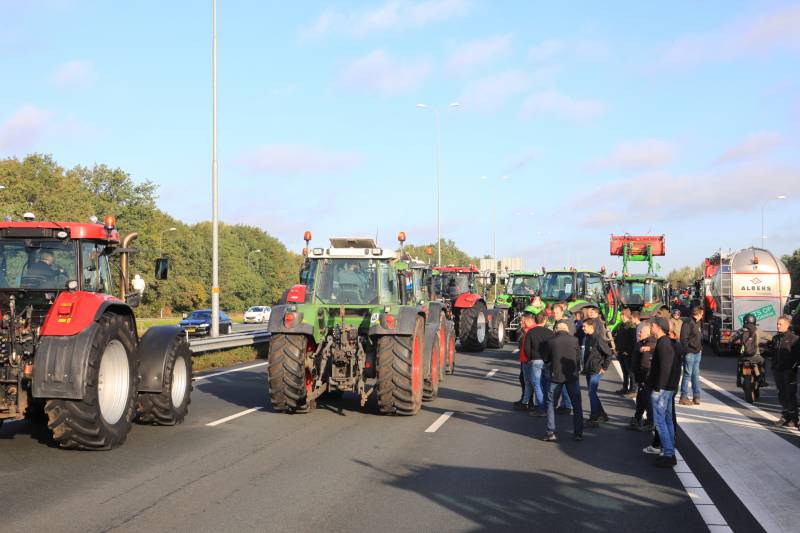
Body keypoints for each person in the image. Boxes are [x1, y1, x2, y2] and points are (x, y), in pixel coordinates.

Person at [647, 317, 681, 467]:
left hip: (662, 389)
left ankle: (668, 454)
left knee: (660, 422)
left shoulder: (663, 344)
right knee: (667, 420)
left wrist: (658, 387)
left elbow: (666, 368)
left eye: (652, 325)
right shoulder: (668, 343)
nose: (650, 328)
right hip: (668, 388)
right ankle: (669, 451)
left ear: (658, 327)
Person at [542, 322, 584, 442]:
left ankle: (551, 432)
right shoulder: (575, 340)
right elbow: (577, 358)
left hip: (556, 377)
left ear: (556, 330)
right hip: (572, 377)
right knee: (577, 405)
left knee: (551, 403)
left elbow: (546, 359)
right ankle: (578, 433)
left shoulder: (551, 341)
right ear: (567, 330)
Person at [580, 317, 612, 427]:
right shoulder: (587, 337)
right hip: (589, 369)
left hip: (596, 370)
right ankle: (602, 414)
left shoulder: (598, 339)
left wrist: (604, 368)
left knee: (591, 393)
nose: (582, 327)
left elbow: (608, 353)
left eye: (584, 326)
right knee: (591, 393)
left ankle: (594, 418)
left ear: (591, 326)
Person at [769, 315, 799, 428]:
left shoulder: (794, 338)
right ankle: (785, 416)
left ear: (787, 325)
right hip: (778, 371)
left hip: (789, 371)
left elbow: (797, 357)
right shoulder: (775, 338)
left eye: (780, 324)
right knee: (782, 394)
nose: (778, 325)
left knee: (790, 395)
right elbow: (773, 353)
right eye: (777, 323)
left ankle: (794, 418)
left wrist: (793, 367)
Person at [525, 312, 554, 417]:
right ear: (544, 320)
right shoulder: (550, 333)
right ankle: (547, 407)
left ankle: (542, 409)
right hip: (547, 361)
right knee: (546, 385)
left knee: (537, 384)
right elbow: (553, 348)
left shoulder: (531, 332)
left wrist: (529, 358)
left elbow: (527, 348)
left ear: (535, 320)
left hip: (535, 360)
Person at [629, 321, 656, 431]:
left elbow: (645, 363)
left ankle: (650, 422)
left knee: (647, 400)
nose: (639, 333)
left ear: (648, 333)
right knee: (641, 399)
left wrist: (643, 378)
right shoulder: (641, 342)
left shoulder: (650, 342)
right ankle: (637, 418)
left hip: (646, 376)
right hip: (640, 376)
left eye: (641, 331)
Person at [679, 305, 704, 406]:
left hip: (697, 352)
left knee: (696, 375)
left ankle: (696, 396)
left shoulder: (698, 322)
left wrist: (700, 348)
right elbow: (683, 339)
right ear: (698, 314)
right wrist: (687, 350)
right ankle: (683, 396)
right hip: (690, 352)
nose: (702, 316)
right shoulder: (688, 322)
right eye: (701, 314)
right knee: (687, 374)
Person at [513, 312, 536, 410]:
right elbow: (516, 338)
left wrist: (522, 330)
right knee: (523, 380)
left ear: (528, 321)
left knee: (528, 381)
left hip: (528, 359)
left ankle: (528, 402)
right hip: (524, 359)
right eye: (521, 321)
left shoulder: (531, 330)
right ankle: (525, 399)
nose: (521, 323)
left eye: (523, 321)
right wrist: (521, 328)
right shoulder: (524, 330)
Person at [613, 308, 637, 397]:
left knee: (630, 372)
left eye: (622, 315)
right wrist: (616, 349)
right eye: (621, 315)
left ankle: (632, 389)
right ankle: (625, 388)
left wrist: (627, 351)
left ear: (626, 315)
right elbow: (617, 337)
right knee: (624, 372)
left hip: (627, 353)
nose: (621, 317)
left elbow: (632, 341)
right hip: (620, 351)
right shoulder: (621, 325)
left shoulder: (631, 326)